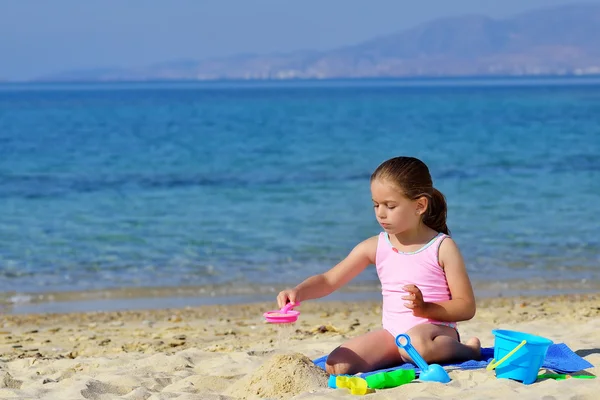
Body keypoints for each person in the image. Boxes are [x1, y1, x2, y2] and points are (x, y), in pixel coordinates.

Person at [277, 156, 481, 375]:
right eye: (376, 205)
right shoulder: (376, 246)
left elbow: (466, 306)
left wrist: (426, 309)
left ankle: (469, 350)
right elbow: (329, 280)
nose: (381, 213)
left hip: (436, 333)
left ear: (420, 205)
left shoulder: (441, 247)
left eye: (390, 206)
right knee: (337, 364)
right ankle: (402, 352)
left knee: (416, 345)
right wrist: (298, 292)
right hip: (393, 335)